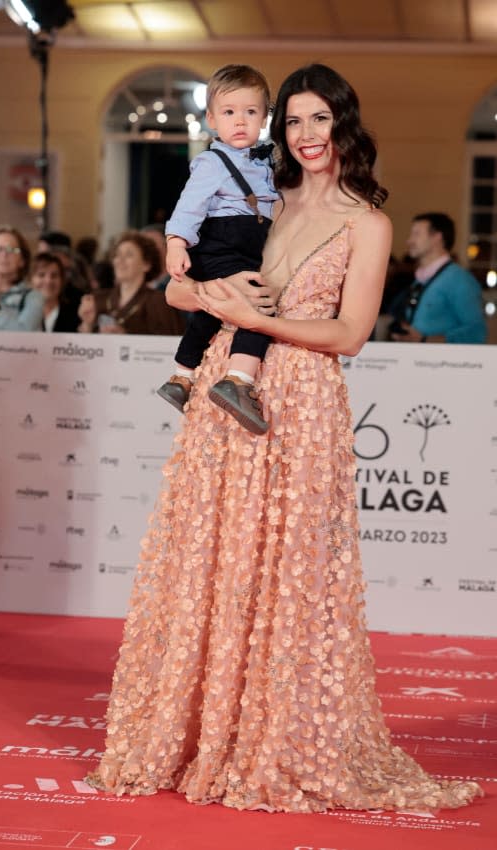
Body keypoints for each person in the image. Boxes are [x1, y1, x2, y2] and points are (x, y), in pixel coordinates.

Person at [86, 64, 483, 813]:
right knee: (210, 558)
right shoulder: (253, 193)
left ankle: (273, 738)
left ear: (343, 126)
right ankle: (198, 731)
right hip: (220, 391)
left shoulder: (366, 221)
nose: (303, 136)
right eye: (292, 121)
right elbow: (175, 285)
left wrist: (256, 319)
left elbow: (350, 333)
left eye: (318, 121)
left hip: (298, 403)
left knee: (288, 575)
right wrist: (208, 293)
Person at [158, 64, 280, 435]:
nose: (239, 121)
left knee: (212, 313)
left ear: (264, 117)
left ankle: (182, 376)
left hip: (249, 241)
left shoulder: (267, 159)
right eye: (229, 113)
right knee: (256, 303)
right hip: (222, 240)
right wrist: (176, 243)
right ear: (212, 119)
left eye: (250, 112)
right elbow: (189, 206)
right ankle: (238, 379)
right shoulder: (212, 162)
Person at [388, 213, 487, 343]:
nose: (409, 241)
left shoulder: (460, 280)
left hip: (443, 362)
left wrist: (425, 339)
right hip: (418, 360)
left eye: (416, 234)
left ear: (437, 237)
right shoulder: (421, 279)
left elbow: (477, 332)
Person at [77, 230, 185, 336]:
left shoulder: (159, 302)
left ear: (146, 264)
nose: (120, 260)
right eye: (117, 255)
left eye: (129, 255)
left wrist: (126, 338)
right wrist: (87, 324)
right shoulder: (99, 299)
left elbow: (170, 345)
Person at [30, 251, 79, 332]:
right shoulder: (19, 313)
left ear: (62, 280)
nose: (48, 281)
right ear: (30, 280)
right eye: (41, 275)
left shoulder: (76, 314)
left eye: (54, 275)